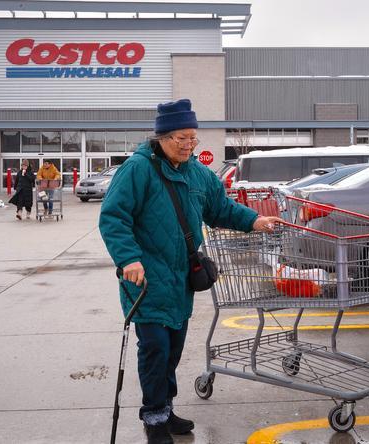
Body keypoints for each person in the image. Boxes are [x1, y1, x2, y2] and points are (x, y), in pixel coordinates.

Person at [99, 99, 282, 444]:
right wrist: (129, 259)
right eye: (181, 138)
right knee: (154, 347)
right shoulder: (138, 169)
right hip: (145, 278)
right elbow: (113, 217)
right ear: (162, 137)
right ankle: (153, 419)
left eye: (192, 138)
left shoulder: (198, 173)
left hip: (182, 277)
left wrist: (255, 220)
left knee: (173, 349)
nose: (187, 145)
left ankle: (165, 409)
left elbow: (221, 209)